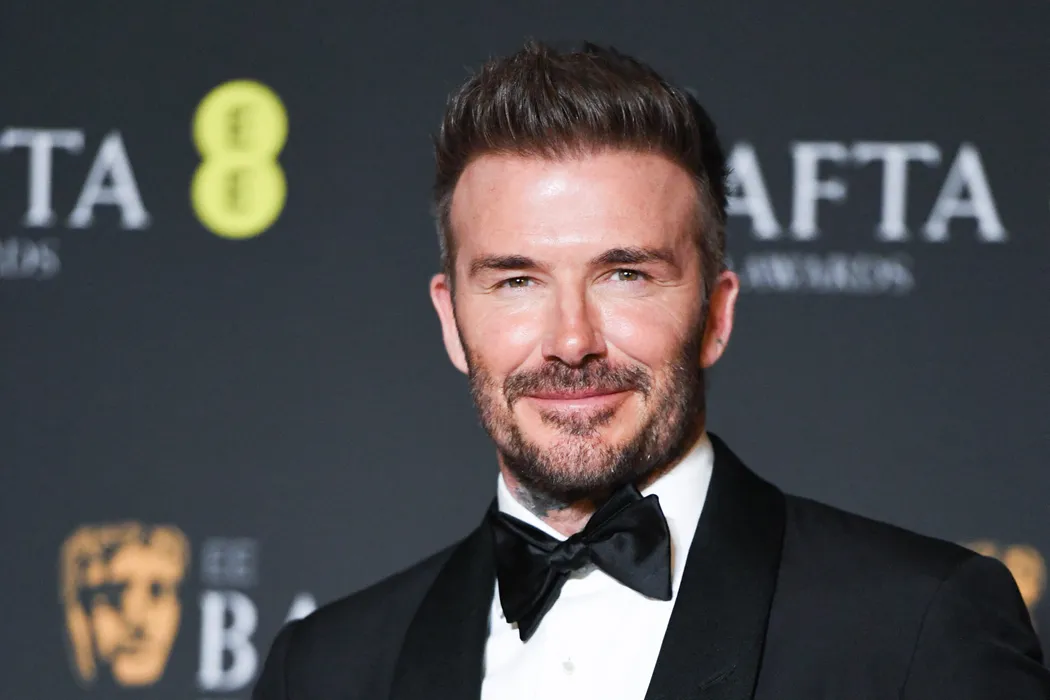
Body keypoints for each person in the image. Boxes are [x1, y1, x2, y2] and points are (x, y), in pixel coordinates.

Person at [252, 41, 1049, 700]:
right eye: (517, 281)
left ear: (716, 313)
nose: (572, 341)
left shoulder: (918, 628)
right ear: (450, 321)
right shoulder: (324, 670)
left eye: (625, 275)